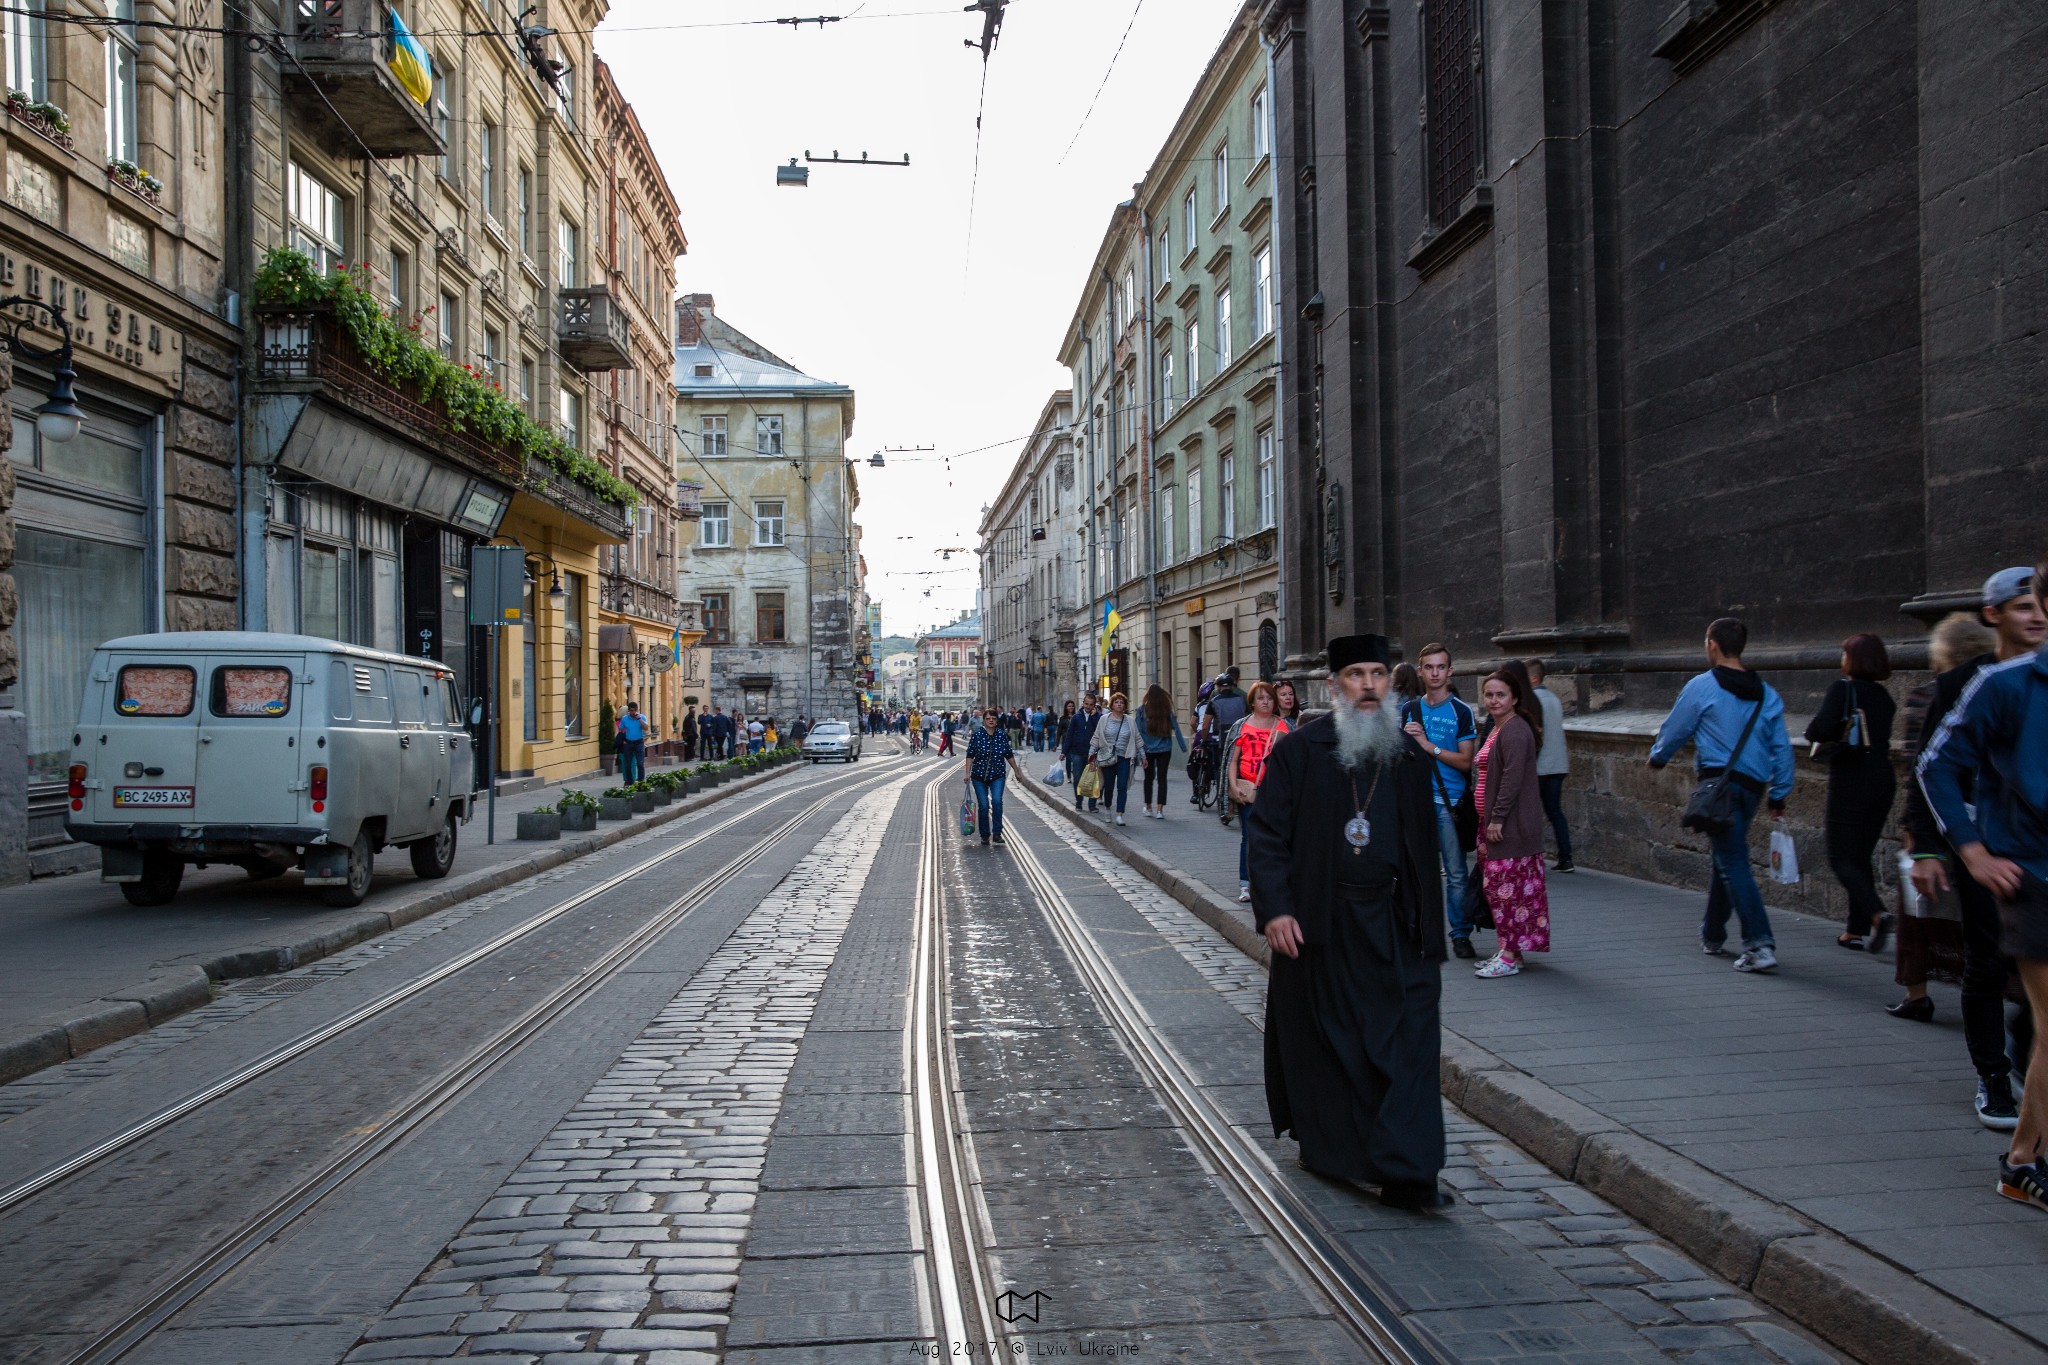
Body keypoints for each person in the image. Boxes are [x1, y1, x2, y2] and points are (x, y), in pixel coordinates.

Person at [1246, 634, 1449, 1209]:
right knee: (1336, 1044)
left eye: (1377, 675)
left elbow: (1424, 847)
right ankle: (1336, 1150)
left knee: (1409, 1041)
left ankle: (1410, 1169)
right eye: (1355, 675)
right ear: (1335, 686)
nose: (1367, 686)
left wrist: (1434, 927)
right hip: (1323, 921)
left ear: (1389, 683)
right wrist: (1277, 909)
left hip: (1394, 921)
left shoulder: (1407, 759)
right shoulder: (1300, 753)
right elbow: (1266, 835)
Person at [1919, 556, 2048, 1212]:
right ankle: (1999, 1095)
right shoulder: (1995, 683)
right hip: (2020, 864)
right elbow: (1933, 763)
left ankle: (2024, 1158)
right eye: (2024, 606)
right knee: (1994, 973)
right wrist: (1958, 850)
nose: (2033, 616)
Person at [1649, 617, 1796, 973]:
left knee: (1733, 862)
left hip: (1719, 786)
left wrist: (1659, 756)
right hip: (1753, 788)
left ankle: (1759, 944)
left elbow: (1677, 727)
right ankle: (1713, 933)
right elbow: (1782, 748)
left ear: (1712, 644)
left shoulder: (1703, 686)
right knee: (1726, 857)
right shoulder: (1766, 693)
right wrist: (1779, 794)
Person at [1891, 613, 1995, 1023]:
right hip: (1968, 822)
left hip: (1949, 825)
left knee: (1919, 914)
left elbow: (1915, 766)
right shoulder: (1963, 689)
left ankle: (1918, 991)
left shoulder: (1926, 694)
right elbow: (1926, 768)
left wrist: (1915, 835)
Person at [1804, 634, 1898, 950]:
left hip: (1851, 779)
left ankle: (1877, 914)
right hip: (1882, 778)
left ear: (1853, 660)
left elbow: (1818, 730)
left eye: (1844, 654)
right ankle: (1855, 929)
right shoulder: (1885, 697)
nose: (1841, 660)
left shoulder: (1842, 689)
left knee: (1840, 857)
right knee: (1860, 856)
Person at [1401, 644, 1479, 957]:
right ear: (1420, 671)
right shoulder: (1409, 710)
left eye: (1440, 667)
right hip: (1417, 802)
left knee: (1456, 873)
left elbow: (1465, 762)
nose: (1435, 673)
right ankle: (1420, 930)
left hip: (1450, 802)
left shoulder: (1461, 711)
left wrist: (1426, 744)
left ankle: (1459, 934)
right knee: (1418, 872)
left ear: (1450, 671)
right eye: (1429, 667)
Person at [1472, 670, 1550, 978]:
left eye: (1500, 694)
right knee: (1500, 890)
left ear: (1515, 697)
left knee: (1506, 891)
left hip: (1508, 827)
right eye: (1489, 695)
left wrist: (1497, 818)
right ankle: (1510, 951)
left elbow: (1511, 780)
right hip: (1491, 824)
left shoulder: (1515, 731)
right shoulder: (1498, 727)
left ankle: (1507, 956)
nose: (1493, 700)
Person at [1226, 682, 1293, 901]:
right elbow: (1233, 760)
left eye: (1269, 698)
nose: (1265, 702)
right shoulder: (1242, 726)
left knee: (1275, 838)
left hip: (1274, 791)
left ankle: (1270, 883)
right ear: (1252, 702)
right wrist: (1234, 785)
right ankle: (1246, 884)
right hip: (1248, 789)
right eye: (1261, 698)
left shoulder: (1283, 727)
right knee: (1249, 837)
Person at [1525, 660, 1574, 872]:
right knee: (1555, 811)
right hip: (1558, 764)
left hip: (1540, 766)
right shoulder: (1554, 699)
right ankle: (1566, 857)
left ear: (1534, 678)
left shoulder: (1532, 700)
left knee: (1532, 813)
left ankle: (1534, 858)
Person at [963, 705, 1026, 846]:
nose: (991, 720)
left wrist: (1016, 770)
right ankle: (985, 834)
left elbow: (1008, 754)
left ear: (997, 720)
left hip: (997, 775)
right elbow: (970, 755)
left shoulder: (1001, 735)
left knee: (997, 801)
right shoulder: (977, 735)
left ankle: (997, 833)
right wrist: (967, 773)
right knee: (984, 805)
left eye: (993, 718)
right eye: (988, 718)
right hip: (979, 776)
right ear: (983, 721)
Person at [1088, 691, 1144, 825]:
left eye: (1121, 702)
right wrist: (1091, 754)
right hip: (1107, 757)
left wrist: (1143, 756)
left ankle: (1119, 814)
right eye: (1116, 702)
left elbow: (1137, 739)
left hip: (1124, 757)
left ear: (1124, 706)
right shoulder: (1104, 719)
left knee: (1122, 786)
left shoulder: (1130, 721)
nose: (1119, 704)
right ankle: (1107, 808)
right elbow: (1096, 737)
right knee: (1109, 786)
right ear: (1112, 705)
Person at [1138, 684, 1187, 819]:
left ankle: (1148, 807)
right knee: (1162, 779)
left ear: (1148, 696)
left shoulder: (1142, 711)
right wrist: (1183, 747)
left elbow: (1138, 732)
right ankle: (1160, 810)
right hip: (1165, 749)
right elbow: (1176, 729)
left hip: (1147, 750)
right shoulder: (1166, 711)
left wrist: (1138, 753)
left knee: (1148, 778)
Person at [1063, 694, 1102, 810]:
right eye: (1086, 704)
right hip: (1077, 752)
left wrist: (1094, 717)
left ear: (1094, 705)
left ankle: (1092, 805)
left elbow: (1098, 732)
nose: (1088, 707)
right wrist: (1064, 752)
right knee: (1078, 778)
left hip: (1093, 753)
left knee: (1093, 779)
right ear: (1083, 703)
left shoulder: (1098, 717)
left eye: (1091, 705)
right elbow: (1069, 735)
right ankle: (1079, 801)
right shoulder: (1076, 717)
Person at [615, 701, 648, 784]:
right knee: (627, 765)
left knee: (640, 763)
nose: (634, 712)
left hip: (639, 742)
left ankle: (641, 782)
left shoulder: (642, 717)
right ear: (628, 711)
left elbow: (646, 728)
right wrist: (623, 740)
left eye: (635, 710)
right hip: (628, 743)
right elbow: (621, 729)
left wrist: (639, 719)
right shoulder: (625, 719)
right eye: (632, 710)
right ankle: (630, 782)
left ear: (637, 710)